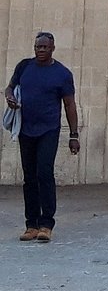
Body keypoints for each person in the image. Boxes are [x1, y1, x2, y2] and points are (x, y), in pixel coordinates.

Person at [4, 32, 80, 242]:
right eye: (38, 47)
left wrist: (74, 135)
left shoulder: (62, 74)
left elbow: (70, 105)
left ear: (53, 48)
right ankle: (31, 224)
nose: (41, 51)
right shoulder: (24, 67)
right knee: (29, 177)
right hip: (26, 129)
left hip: (48, 130)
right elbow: (10, 87)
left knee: (44, 173)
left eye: (45, 47)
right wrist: (9, 97)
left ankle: (46, 224)